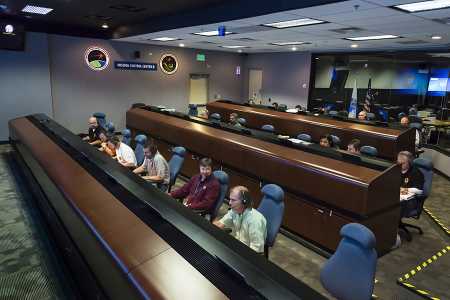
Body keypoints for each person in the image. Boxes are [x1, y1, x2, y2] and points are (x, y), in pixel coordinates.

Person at [213, 186, 267, 254]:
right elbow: (220, 224)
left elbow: (257, 249)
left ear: (244, 201)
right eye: (230, 199)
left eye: (233, 200)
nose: (229, 203)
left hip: (247, 252)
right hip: (237, 245)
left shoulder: (255, 220)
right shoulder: (234, 211)